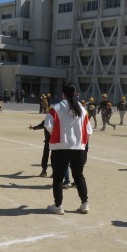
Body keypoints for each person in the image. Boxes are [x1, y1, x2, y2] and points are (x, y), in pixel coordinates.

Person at [45, 83, 92, 215]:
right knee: (78, 176)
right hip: (78, 147)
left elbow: (48, 125)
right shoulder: (82, 109)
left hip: (60, 147)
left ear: (63, 94)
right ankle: (85, 203)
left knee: (58, 177)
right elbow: (89, 130)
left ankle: (58, 205)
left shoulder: (56, 107)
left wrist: (56, 134)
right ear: (76, 93)